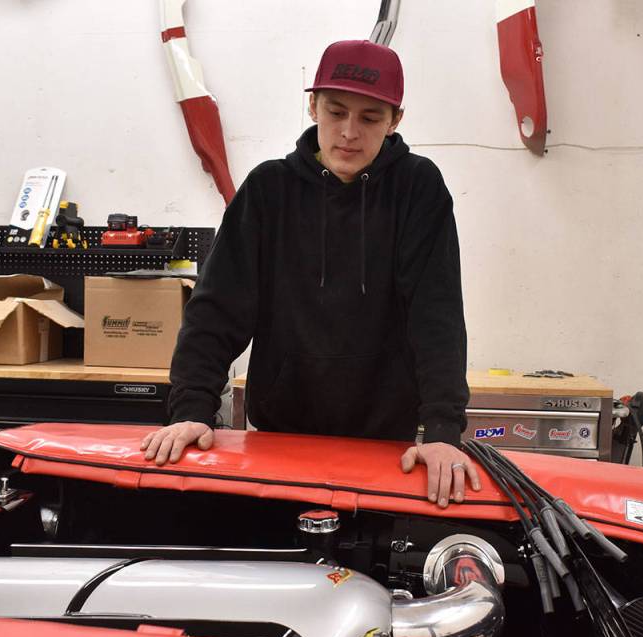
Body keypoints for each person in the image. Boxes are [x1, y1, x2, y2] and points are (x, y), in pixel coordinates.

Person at [140, 39, 480, 507]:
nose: (348, 133)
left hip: (385, 443)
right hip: (280, 437)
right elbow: (217, 310)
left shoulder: (418, 188)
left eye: (369, 118)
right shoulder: (267, 190)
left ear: (395, 120)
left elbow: (436, 312)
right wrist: (193, 409)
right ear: (313, 106)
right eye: (336, 111)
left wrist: (442, 430)